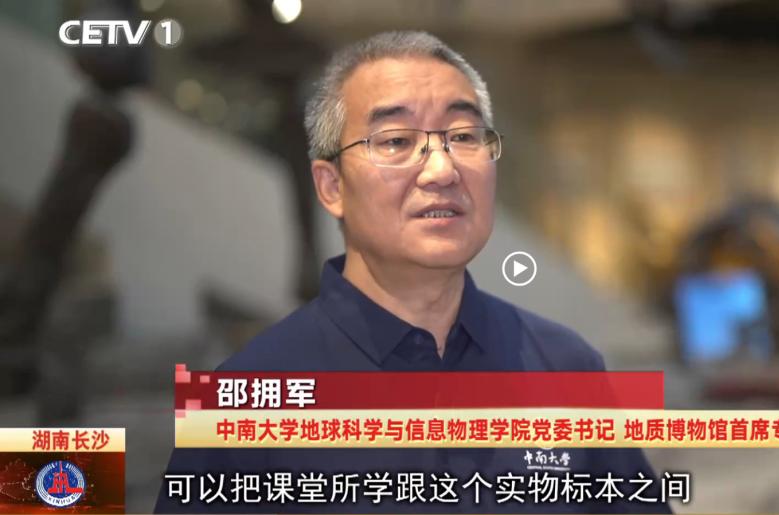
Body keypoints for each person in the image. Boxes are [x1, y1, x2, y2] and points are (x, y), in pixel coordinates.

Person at [155, 31, 666, 514]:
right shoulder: (244, 398)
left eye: (463, 136)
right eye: (396, 141)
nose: (442, 170)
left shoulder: (565, 366)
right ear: (332, 187)